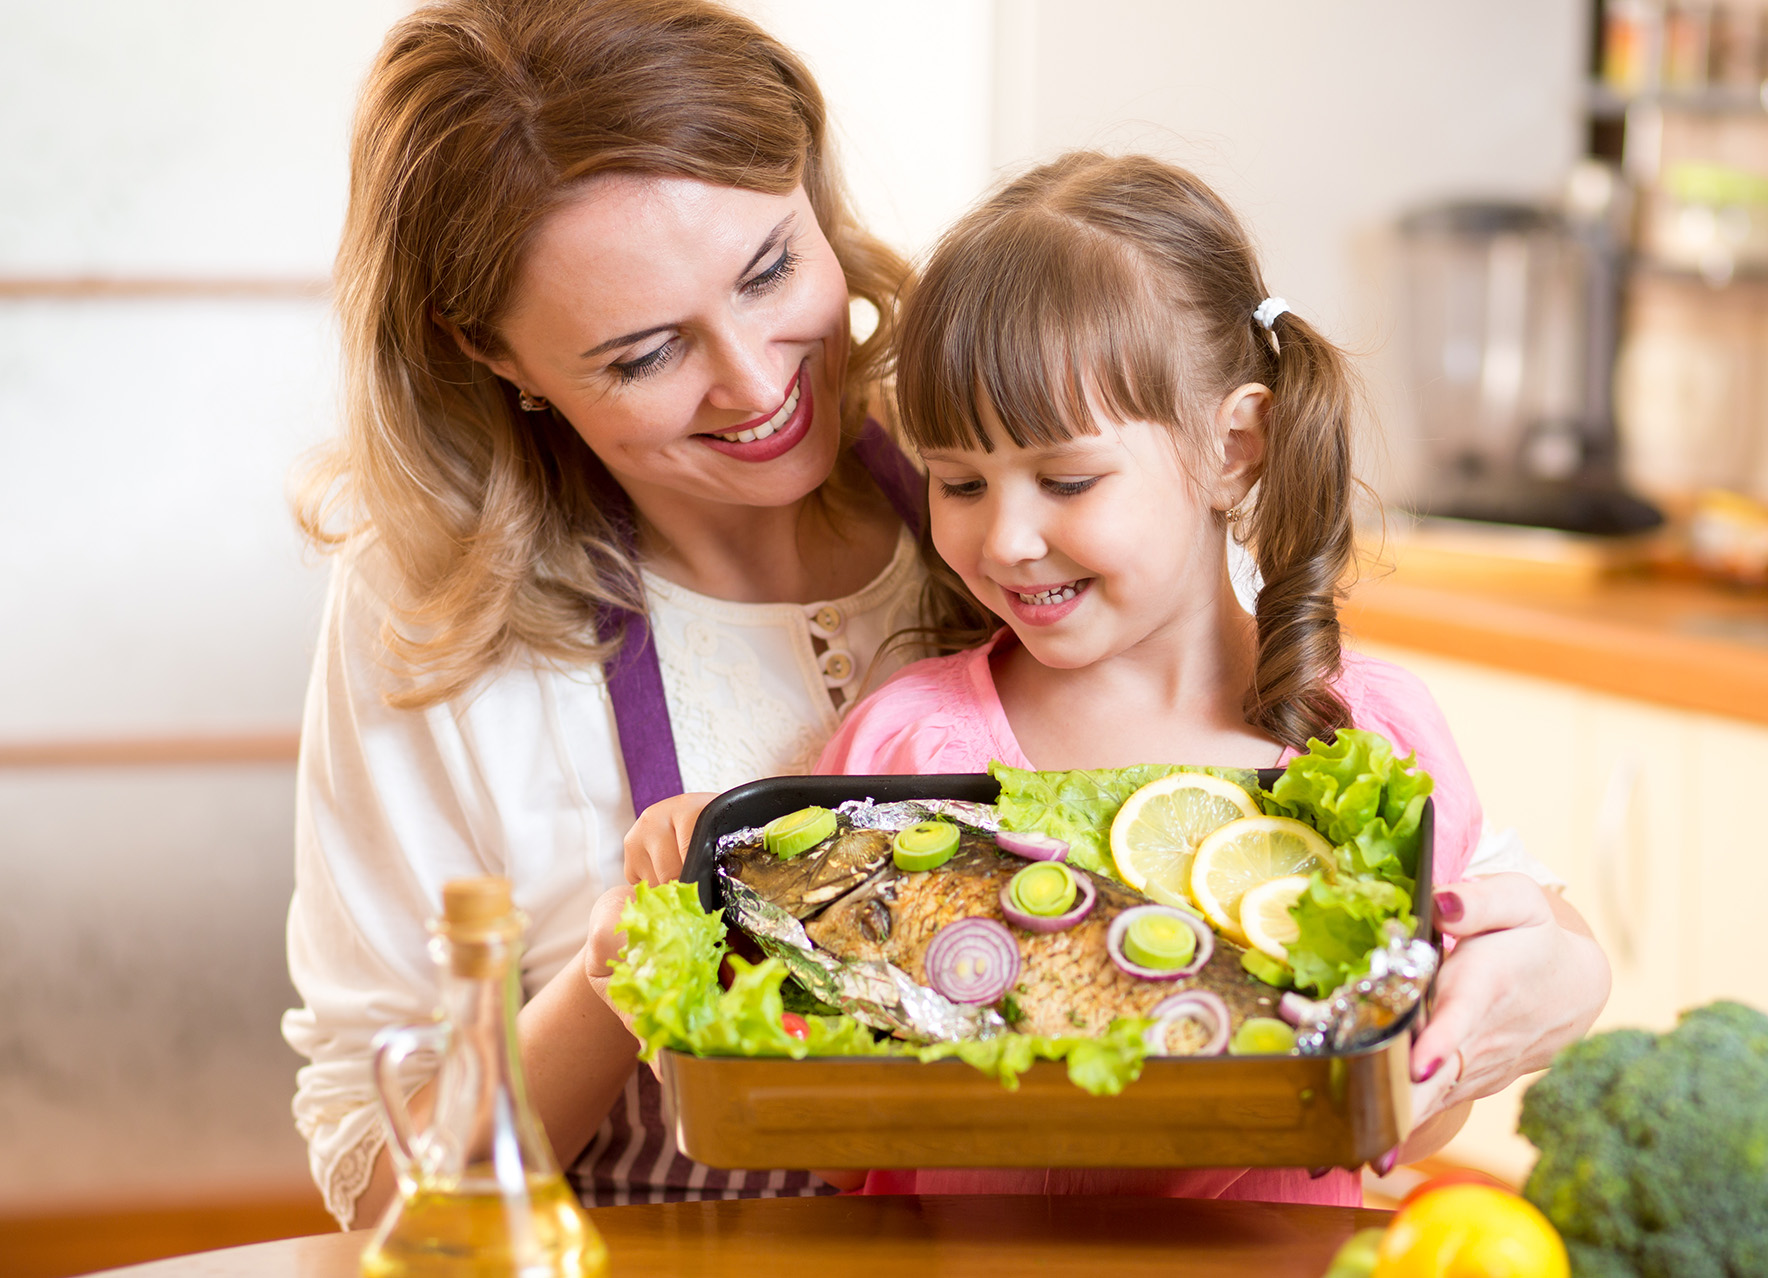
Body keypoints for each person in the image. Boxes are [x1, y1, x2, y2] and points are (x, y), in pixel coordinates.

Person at [808, 152, 1612, 1203]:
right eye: (959, 482)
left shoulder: (1365, 739)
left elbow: (1419, 1114)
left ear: (1233, 446)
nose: (1005, 538)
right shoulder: (900, 749)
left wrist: (1426, 1062)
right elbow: (825, 1132)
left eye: (1066, 479)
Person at [281, 0, 927, 1228]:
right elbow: (379, 1175)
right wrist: (617, 978)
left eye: (772, 269)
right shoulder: (433, 619)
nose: (754, 382)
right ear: (491, 352)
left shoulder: (1009, 492)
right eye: (643, 355)